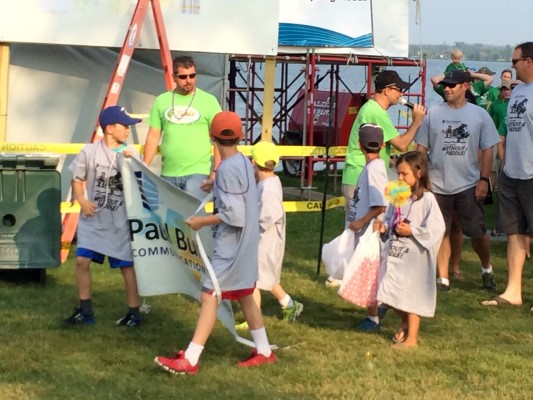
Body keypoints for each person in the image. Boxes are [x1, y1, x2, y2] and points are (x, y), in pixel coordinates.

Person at [154, 111, 276, 375]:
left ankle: (191, 358)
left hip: (232, 246)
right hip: (246, 242)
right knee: (245, 294)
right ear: (241, 136)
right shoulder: (243, 162)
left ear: (212, 137)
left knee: (209, 294)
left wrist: (202, 221)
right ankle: (265, 351)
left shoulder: (227, 168)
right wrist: (215, 185)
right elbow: (240, 195)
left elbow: (234, 215)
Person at [415, 70, 501, 292]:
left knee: (477, 232)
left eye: (452, 85)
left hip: (468, 184)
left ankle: (486, 268)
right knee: (440, 231)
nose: (447, 88)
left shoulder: (479, 115)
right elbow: (421, 148)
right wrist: (421, 178)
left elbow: (488, 149)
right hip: (437, 185)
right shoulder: (433, 113)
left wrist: (484, 179)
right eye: (445, 84)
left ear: (465, 86)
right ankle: (443, 278)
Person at [64, 105, 143, 327]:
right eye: (124, 125)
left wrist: (133, 163)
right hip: (94, 220)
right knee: (81, 261)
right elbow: (77, 179)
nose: (127, 130)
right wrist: (82, 200)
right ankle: (85, 311)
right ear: (109, 128)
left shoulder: (131, 153)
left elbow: (141, 183)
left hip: (120, 221)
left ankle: (134, 312)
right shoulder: (89, 152)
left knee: (126, 266)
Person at [374, 151, 445, 349]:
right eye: (398, 173)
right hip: (396, 254)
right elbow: (390, 218)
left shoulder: (427, 199)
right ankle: (405, 322)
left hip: (415, 258)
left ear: (419, 173)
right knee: (389, 293)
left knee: (412, 296)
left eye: (404, 174)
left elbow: (437, 228)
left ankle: (412, 338)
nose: (400, 178)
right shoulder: (398, 195)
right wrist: (384, 227)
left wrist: (412, 231)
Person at [482, 42, 533, 308]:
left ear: (529, 61)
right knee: (514, 231)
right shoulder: (518, 92)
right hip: (512, 172)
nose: (511, 66)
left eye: (515, 62)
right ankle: (513, 291)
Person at [341, 70, 426, 219]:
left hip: (361, 176)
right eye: (398, 89)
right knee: (363, 225)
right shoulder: (376, 112)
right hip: (361, 177)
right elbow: (402, 144)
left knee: (367, 224)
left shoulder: (372, 108)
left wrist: (388, 159)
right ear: (387, 90)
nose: (401, 94)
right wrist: (417, 121)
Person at [143, 55, 222, 199]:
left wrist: (215, 172)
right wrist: (144, 167)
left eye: (192, 75)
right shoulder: (161, 100)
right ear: (174, 77)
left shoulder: (209, 101)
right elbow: (153, 136)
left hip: (198, 171)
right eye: (183, 77)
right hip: (168, 172)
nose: (188, 80)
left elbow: (219, 139)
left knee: (192, 212)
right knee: (169, 213)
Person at [250, 141, 303, 322]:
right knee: (265, 277)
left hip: (265, 240)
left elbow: (268, 216)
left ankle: (254, 318)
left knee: (253, 280)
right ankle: (288, 304)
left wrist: (249, 223)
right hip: (264, 239)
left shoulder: (268, 187)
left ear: (254, 162)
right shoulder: (268, 182)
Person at [345, 124, 388, 332]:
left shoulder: (375, 170)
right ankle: (380, 306)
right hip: (367, 229)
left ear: (359, 145)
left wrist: (362, 221)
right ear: (383, 145)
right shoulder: (373, 167)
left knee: (370, 273)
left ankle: (373, 317)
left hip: (371, 231)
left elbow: (380, 205)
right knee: (370, 272)